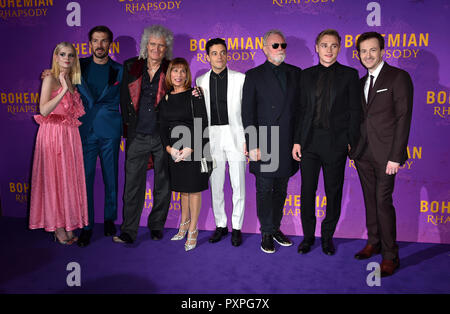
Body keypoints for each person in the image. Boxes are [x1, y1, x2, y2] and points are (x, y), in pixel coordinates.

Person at [292, 29, 361, 256]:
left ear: (339, 48)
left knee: (333, 192)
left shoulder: (350, 75)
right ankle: (308, 237)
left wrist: (350, 140)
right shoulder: (306, 75)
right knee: (307, 192)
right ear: (317, 47)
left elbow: (354, 111)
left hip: (336, 143)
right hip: (310, 143)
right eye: (324, 45)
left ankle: (327, 238)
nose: (328, 50)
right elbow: (301, 111)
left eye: (333, 45)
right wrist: (297, 141)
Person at [352, 32, 413, 277]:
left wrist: (396, 156)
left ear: (382, 51)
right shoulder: (360, 82)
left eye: (372, 50)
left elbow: (403, 118)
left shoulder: (398, 77)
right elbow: (359, 119)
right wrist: (353, 148)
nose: (368, 55)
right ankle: (374, 241)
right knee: (369, 200)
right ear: (358, 54)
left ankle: (390, 255)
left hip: (387, 155)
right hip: (363, 154)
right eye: (363, 51)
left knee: (382, 202)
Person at [242, 29, 301, 254]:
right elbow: (247, 113)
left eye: (283, 45)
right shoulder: (254, 75)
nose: (280, 49)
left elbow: (301, 111)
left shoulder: (297, 73)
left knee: (281, 189)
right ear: (265, 48)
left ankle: (275, 227)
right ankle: (266, 231)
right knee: (265, 189)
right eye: (275, 45)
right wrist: (252, 142)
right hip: (263, 142)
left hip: (286, 141)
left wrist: (298, 141)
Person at [113, 25, 173, 244]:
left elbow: (181, 95)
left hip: (163, 137)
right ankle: (128, 230)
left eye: (161, 45)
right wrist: (128, 127)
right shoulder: (131, 66)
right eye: (152, 44)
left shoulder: (172, 68)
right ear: (145, 45)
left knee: (163, 184)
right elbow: (122, 98)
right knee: (132, 185)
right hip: (137, 134)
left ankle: (157, 225)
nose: (156, 49)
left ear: (166, 49)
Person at [29, 42, 88, 244]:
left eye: (70, 55)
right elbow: (44, 111)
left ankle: (67, 224)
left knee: (67, 181)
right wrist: (63, 90)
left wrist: (67, 86)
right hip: (53, 135)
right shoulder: (50, 79)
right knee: (55, 180)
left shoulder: (73, 80)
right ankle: (58, 228)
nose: (66, 58)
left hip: (69, 137)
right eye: (62, 54)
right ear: (55, 57)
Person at [195, 38, 246, 247]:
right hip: (211, 137)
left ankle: (237, 227)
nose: (219, 56)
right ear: (207, 57)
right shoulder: (199, 81)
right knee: (215, 185)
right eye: (214, 53)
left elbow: (248, 111)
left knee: (238, 185)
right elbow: (198, 115)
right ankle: (221, 225)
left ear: (227, 54)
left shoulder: (241, 79)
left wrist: (248, 140)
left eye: (223, 52)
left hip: (236, 136)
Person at [76, 26, 123, 247]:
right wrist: (50, 74)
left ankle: (109, 219)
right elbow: (60, 77)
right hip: (84, 131)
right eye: (95, 41)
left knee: (110, 177)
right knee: (85, 180)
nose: (99, 45)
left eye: (104, 41)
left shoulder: (119, 70)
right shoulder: (79, 66)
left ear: (109, 44)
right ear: (90, 43)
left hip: (110, 130)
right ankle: (86, 225)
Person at [159, 58, 210, 251]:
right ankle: (184, 224)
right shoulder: (165, 98)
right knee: (183, 190)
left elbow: (202, 122)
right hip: (175, 150)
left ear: (187, 74)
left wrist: (192, 148)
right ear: (169, 74)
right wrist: (169, 149)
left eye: (182, 71)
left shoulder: (194, 94)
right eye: (175, 71)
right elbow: (162, 127)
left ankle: (193, 230)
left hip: (193, 147)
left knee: (193, 189)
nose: (178, 75)